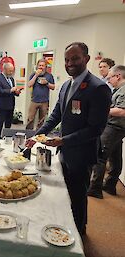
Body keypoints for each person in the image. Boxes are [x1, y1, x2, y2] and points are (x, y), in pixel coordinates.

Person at [26, 42, 111, 236]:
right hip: (65, 150)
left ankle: (80, 233)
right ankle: (65, 226)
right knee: (65, 193)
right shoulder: (66, 85)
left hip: (82, 153)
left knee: (78, 196)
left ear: (86, 59)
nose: (70, 63)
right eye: (66, 60)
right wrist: (37, 135)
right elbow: (56, 115)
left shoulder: (98, 88)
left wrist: (63, 140)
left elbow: (96, 129)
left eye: (75, 58)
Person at [88, 65, 125, 198]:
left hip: (114, 127)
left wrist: (102, 110)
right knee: (115, 157)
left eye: (110, 78)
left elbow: (122, 111)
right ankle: (110, 185)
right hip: (117, 128)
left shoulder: (124, 90)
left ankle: (94, 189)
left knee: (100, 157)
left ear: (118, 76)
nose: (109, 81)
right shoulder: (119, 89)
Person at [25, 59, 55, 130]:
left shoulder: (49, 76)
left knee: (41, 121)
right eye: (40, 65)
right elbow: (29, 85)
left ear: (46, 67)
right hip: (34, 101)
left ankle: (39, 135)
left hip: (44, 101)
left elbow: (53, 87)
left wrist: (46, 83)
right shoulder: (33, 74)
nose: (41, 67)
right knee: (30, 119)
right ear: (37, 66)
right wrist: (36, 75)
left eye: (43, 66)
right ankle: (28, 134)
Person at [0, 62, 21, 139]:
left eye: (12, 71)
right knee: (0, 122)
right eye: (10, 71)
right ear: (4, 69)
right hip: (3, 105)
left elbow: (13, 91)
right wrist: (10, 90)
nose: (11, 72)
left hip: (11, 104)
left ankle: (7, 136)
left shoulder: (11, 79)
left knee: (9, 122)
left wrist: (16, 92)